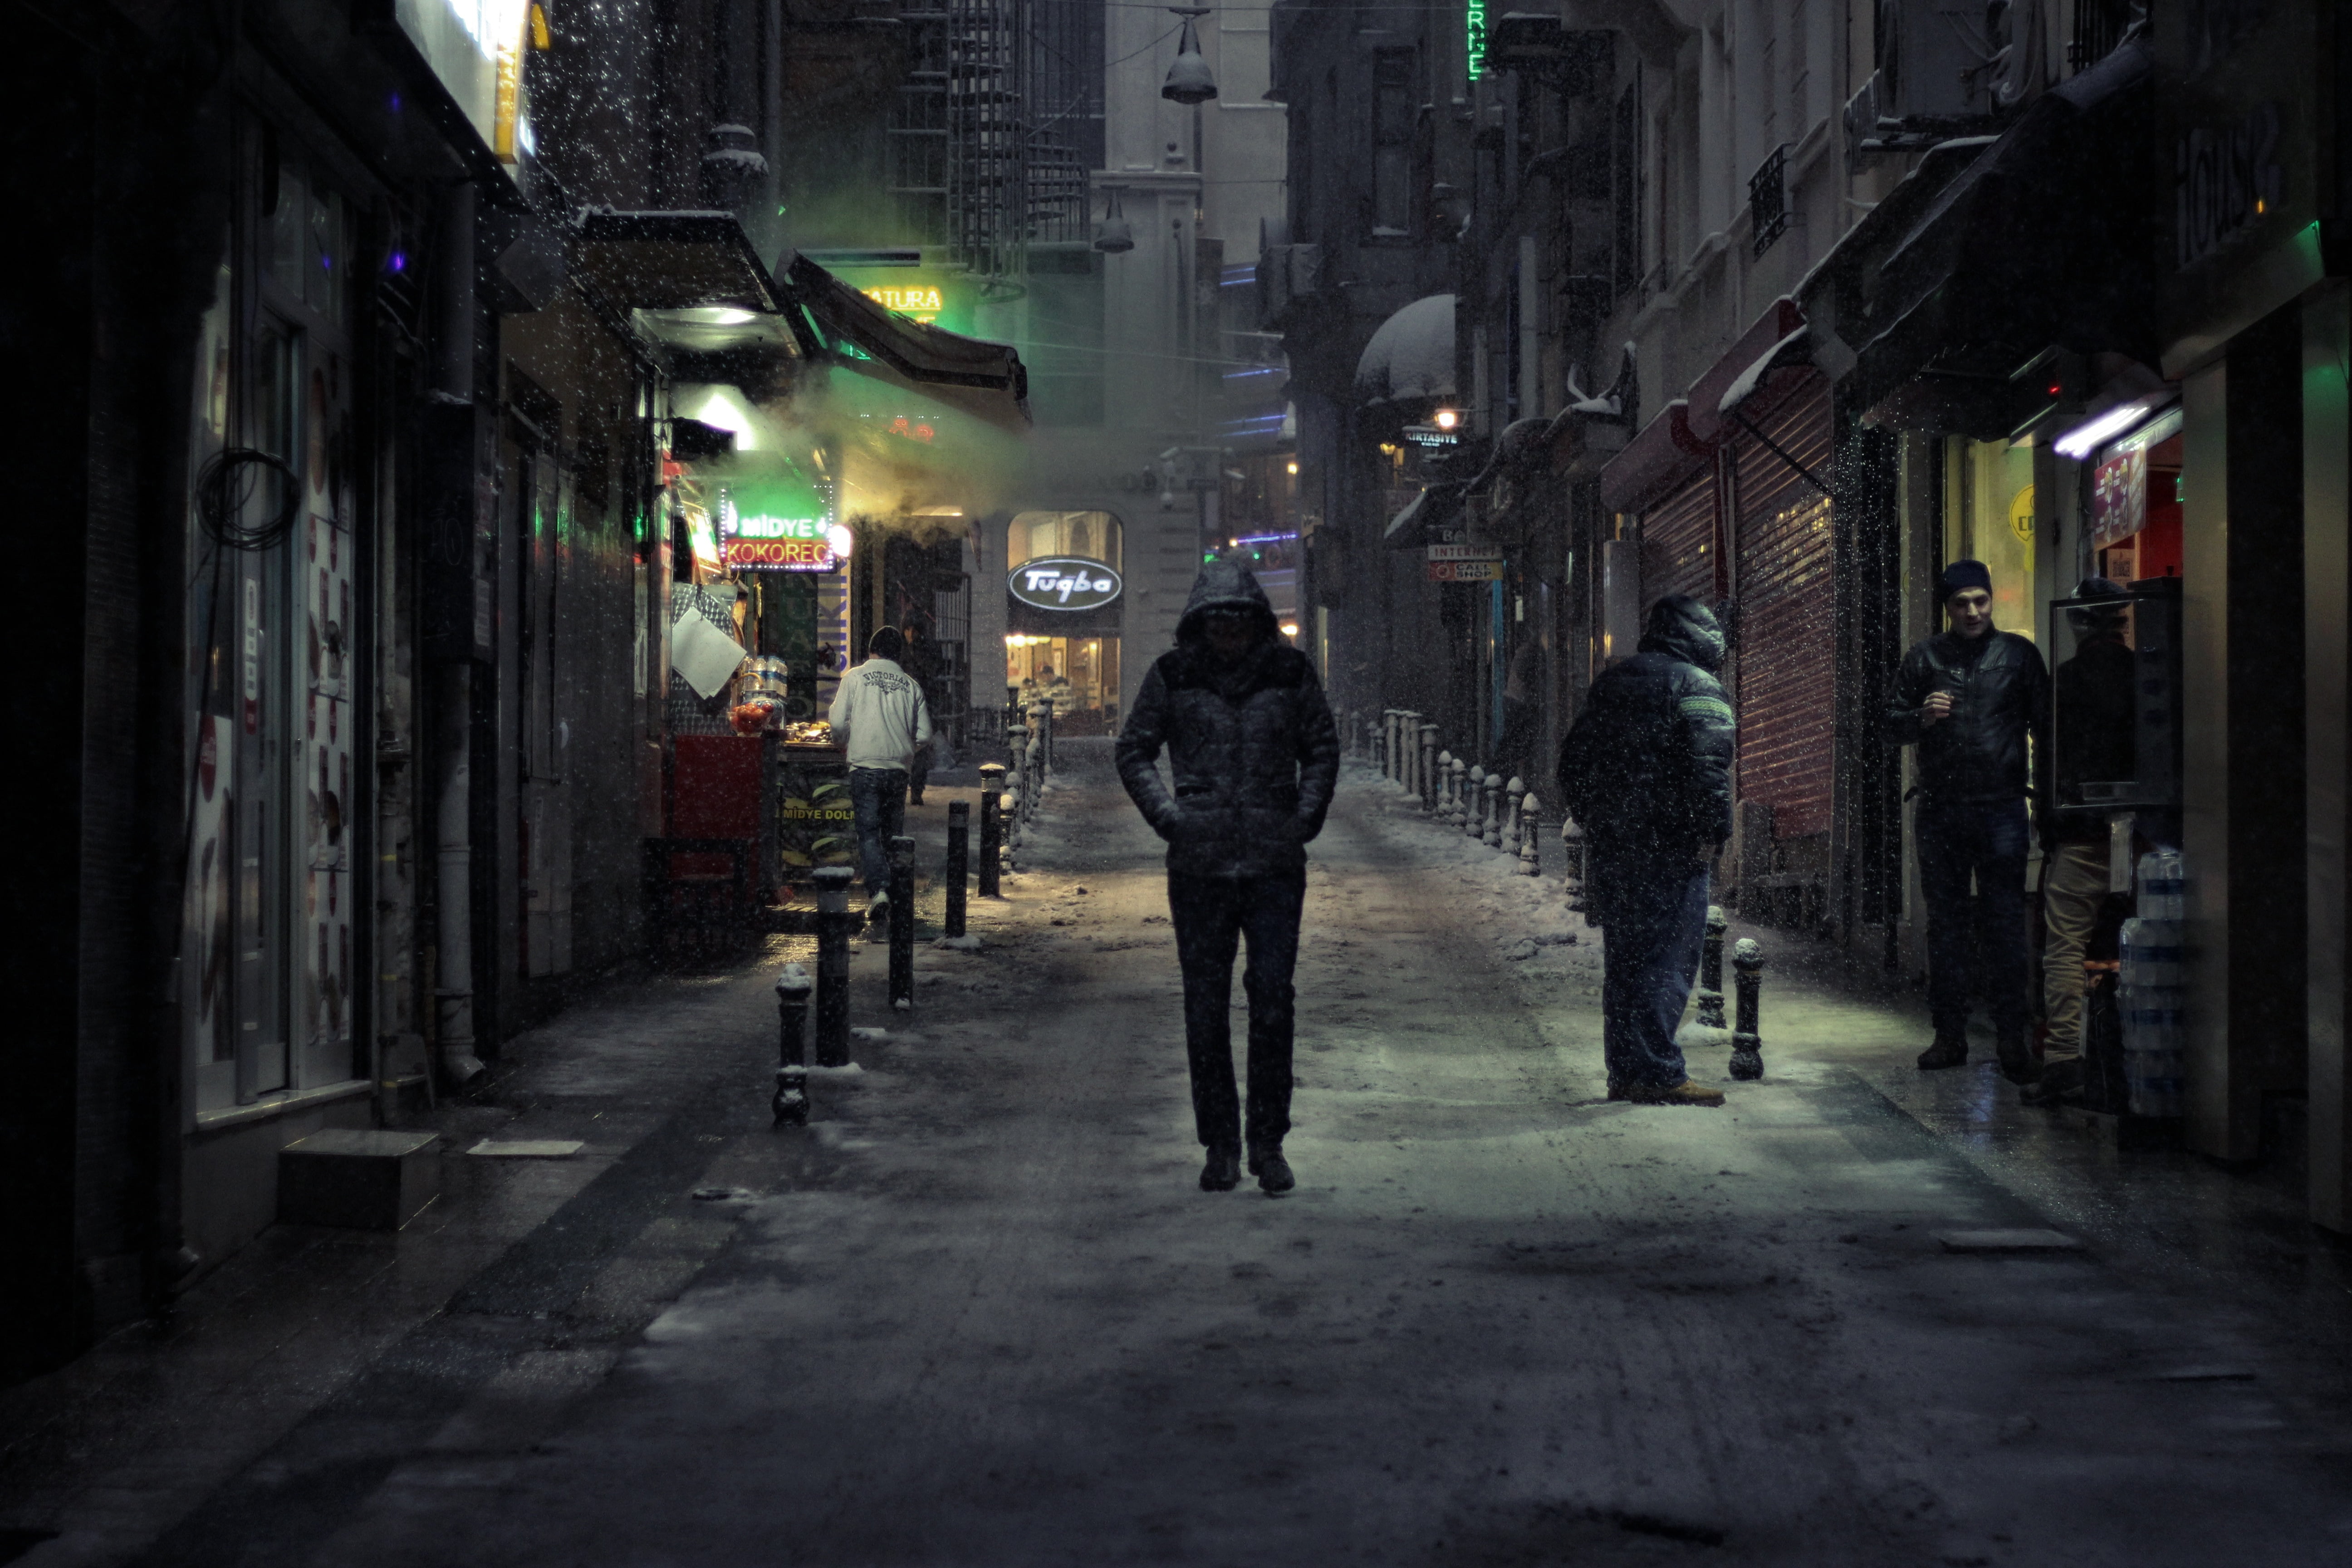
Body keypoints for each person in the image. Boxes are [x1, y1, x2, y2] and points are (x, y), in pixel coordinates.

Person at [1116, 559, 1338, 1195]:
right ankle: (1220, 1145)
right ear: (1201, 624)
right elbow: (1134, 749)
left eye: (1239, 622)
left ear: (1257, 623)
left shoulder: (1290, 674)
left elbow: (1321, 748)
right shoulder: (1174, 676)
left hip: (1273, 864)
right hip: (1200, 866)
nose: (1229, 634)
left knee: (1273, 1003)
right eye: (1219, 622)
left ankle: (1268, 1143)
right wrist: (1170, 818)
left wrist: (1302, 819)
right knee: (1206, 1009)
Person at [1555, 593, 1737, 1107]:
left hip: (1617, 850)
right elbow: (1710, 773)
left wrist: (1598, 818)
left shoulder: (1614, 681)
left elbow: (1573, 762)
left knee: (1626, 962)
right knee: (1668, 962)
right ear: (1702, 636)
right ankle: (1658, 1073)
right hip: (1672, 849)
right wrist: (1710, 834)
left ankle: (1627, 1071)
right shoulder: (1699, 686)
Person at [1884, 560, 2051, 1084]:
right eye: (1962, 603)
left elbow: (2047, 729)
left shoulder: (2018, 656)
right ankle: (1949, 1036)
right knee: (1948, 928)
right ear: (1948, 607)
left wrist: (2048, 804)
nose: (1973, 611)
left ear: (1992, 600)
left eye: (1980, 600)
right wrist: (1921, 718)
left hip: (2002, 806)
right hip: (1941, 810)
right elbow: (1888, 726)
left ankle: (2011, 1039)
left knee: (2006, 926)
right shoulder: (1925, 657)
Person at [2029, 578, 2136, 1107]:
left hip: (2078, 832)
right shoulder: (2148, 676)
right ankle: (2133, 1057)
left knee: (2065, 948)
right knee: (2136, 942)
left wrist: (2048, 827)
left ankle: (2066, 1061)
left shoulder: (2065, 683)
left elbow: (2048, 763)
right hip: (2138, 835)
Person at [827, 625, 933, 927]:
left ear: (871, 650)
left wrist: (844, 740)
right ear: (898, 653)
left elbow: (836, 721)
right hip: (898, 770)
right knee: (892, 834)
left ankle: (880, 891)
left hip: (865, 767)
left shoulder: (855, 677)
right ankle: (895, 890)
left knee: (869, 833)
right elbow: (925, 733)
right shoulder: (911, 685)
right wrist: (904, 748)